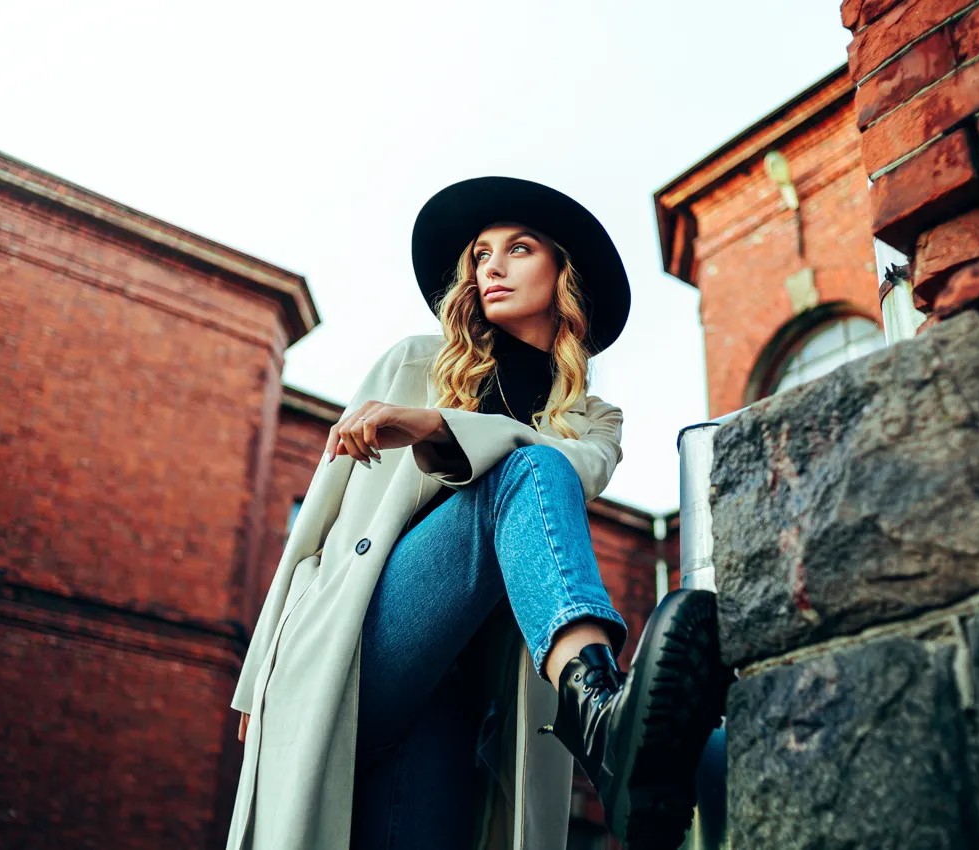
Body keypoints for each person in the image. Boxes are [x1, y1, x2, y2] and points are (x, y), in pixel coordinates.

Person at [226, 177, 731, 850]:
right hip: (361, 646)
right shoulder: (414, 363)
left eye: (518, 249)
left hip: (460, 691)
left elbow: (571, 474)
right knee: (523, 469)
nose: (491, 266)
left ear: (563, 275)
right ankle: (597, 713)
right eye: (481, 254)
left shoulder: (593, 422)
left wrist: (436, 426)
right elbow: (313, 527)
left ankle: (620, 729)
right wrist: (254, 681)